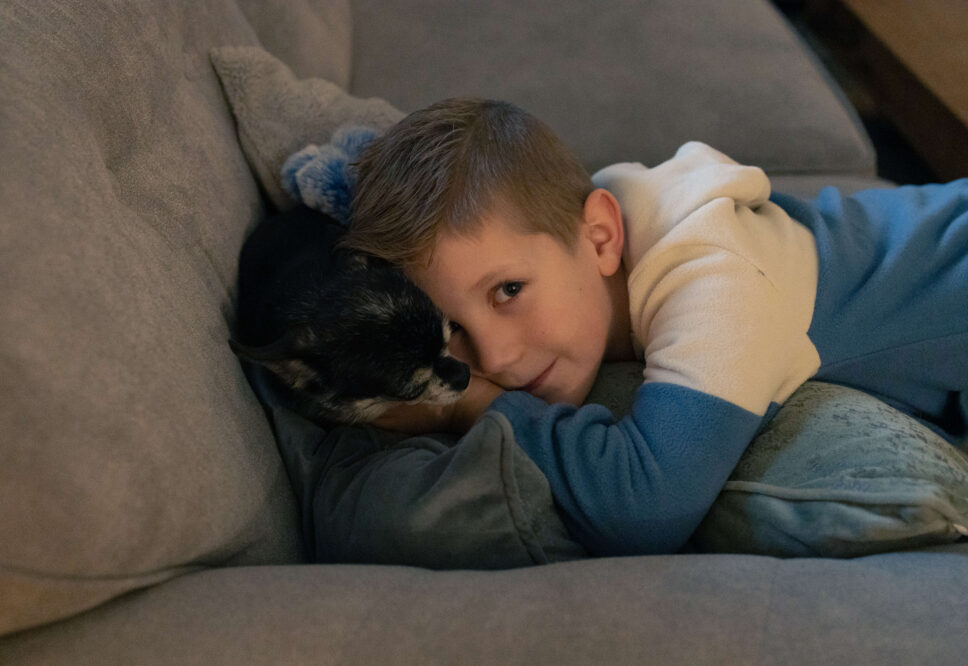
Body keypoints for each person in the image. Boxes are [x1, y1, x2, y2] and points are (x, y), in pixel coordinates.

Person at [343, 97, 968, 557]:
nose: (497, 356)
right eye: (453, 327)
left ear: (601, 235)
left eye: (509, 291)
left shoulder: (719, 283)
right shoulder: (575, 239)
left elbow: (645, 508)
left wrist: (468, 403)